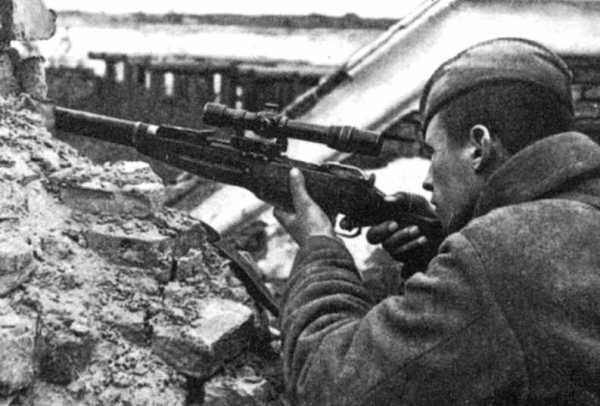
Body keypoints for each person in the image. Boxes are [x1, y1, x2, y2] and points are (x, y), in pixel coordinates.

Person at [274, 38, 600, 405]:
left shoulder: (492, 255)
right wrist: (436, 259)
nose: (428, 179)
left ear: (478, 147)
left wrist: (320, 249)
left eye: (433, 152)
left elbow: (331, 386)